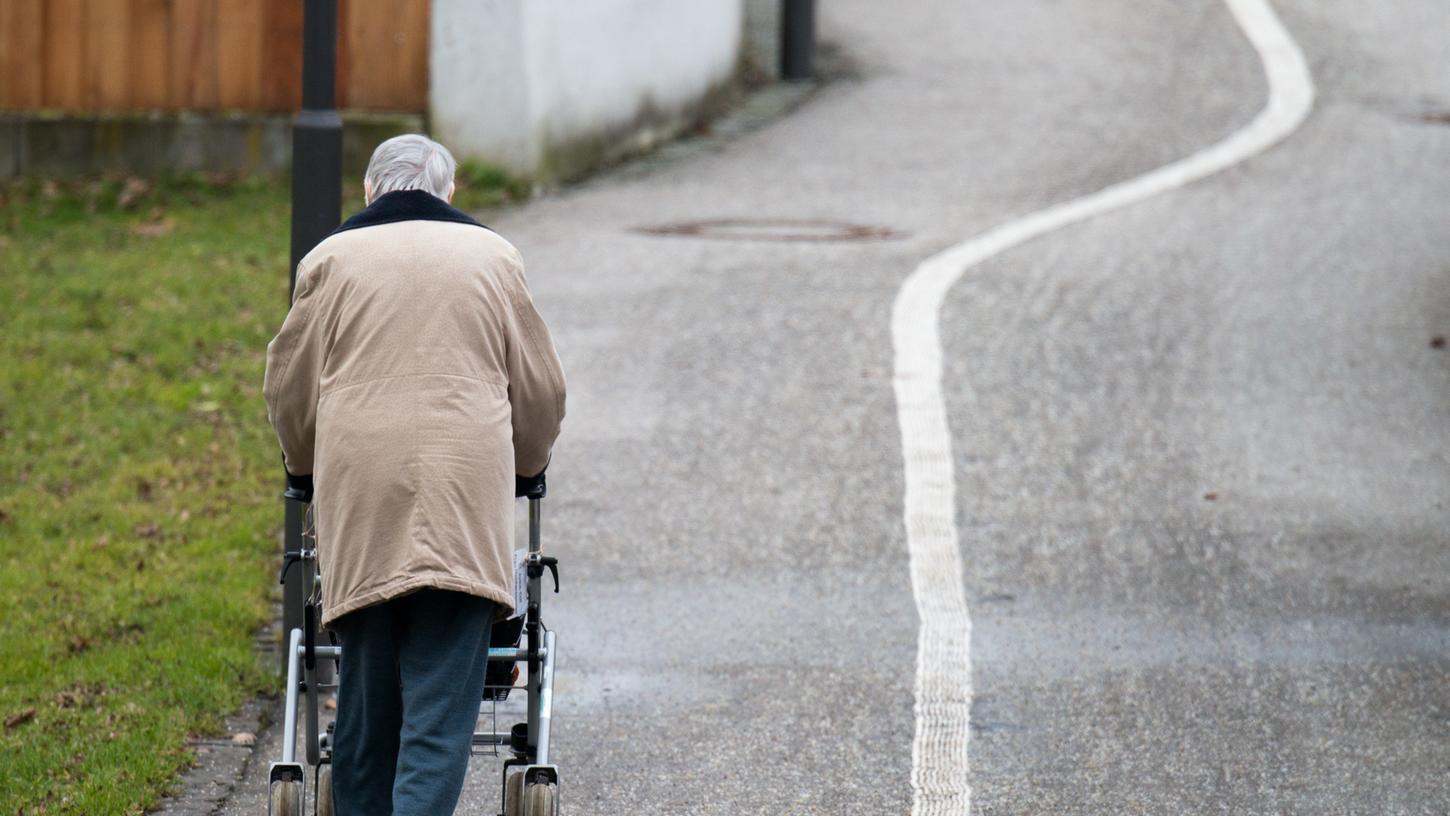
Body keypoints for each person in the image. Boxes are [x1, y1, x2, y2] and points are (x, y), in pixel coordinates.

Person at [263, 134, 565, 815]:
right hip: (462, 496)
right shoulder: (494, 258)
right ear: (449, 192)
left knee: (366, 706)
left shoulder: (331, 260)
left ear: (370, 192)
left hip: (362, 496)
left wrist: (304, 464)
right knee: (438, 713)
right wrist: (528, 463)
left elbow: (288, 387)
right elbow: (542, 391)